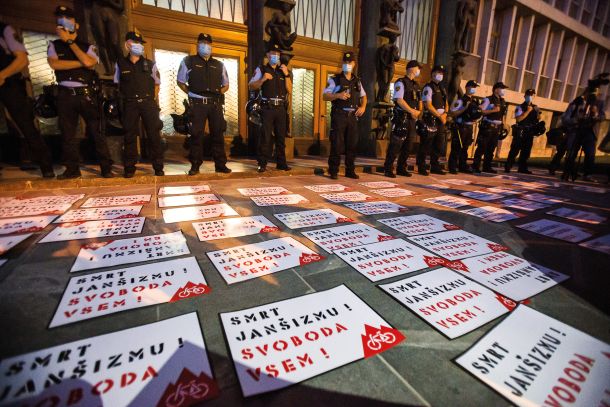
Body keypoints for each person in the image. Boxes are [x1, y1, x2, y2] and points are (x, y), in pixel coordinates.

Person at [48, 5, 113, 179]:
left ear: (76, 25)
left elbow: (90, 62)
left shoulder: (87, 46)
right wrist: (81, 63)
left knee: (97, 132)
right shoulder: (54, 45)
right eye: (60, 18)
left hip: (86, 94)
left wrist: (70, 42)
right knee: (68, 134)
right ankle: (72, 170)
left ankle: (106, 168)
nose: (63, 21)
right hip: (64, 95)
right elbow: (55, 64)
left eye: (68, 18)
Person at [0, 21, 54, 178]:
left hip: (9, 83)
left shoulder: (5, 30)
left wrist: (2, 75)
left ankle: (46, 166)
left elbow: (22, 59)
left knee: (26, 125)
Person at [177, 33, 231, 176]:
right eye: (202, 42)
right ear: (197, 44)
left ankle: (220, 164)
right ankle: (195, 165)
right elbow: (180, 81)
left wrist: (220, 92)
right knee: (196, 134)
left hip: (215, 104)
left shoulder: (219, 65)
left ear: (211, 46)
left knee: (218, 134)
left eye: (208, 43)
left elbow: (226, 84)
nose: (205, 45)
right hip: (198, 103)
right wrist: (191, 93)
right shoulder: (188, 61)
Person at [114, 31, 164, 178]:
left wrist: (151, 99)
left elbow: (157, 84)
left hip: (148, 103)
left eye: (140, 43)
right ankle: (129, 167)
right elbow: (117, 83)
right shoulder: (120, 64)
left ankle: (158, 167)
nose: (139, 46)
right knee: (129, 136)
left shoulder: (150, 64)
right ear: (128, 44)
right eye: (136, 42)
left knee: (154, 135)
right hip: (130, 103)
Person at [248, 43, 292, 173]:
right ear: (267, 55)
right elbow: (251, 86)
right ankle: (262, 163)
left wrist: (287, 75)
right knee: (265, 137)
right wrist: (262, 79)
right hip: (267, 107)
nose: (276, 56)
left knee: (280, 138)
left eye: (278, 54)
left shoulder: (283, 71)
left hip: (281, 109)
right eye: (273, 53)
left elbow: (289, 89)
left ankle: (281, 163)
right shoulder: (261, 69)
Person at [323, 52, 366, 180]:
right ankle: (333, 170)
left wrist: (363, 107)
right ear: (342, 64)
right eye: (345, 62)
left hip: (353, 116)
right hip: (339, 115)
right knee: (337, 144)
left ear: (354, 64)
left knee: (352, 144)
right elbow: (325, 96)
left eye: (350, 63)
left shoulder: (357, 81)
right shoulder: (334, 79)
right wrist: (338, 95)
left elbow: (364, 96)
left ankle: (349, 170)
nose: (347, 65)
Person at [383, 60, 422, 178]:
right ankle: (388, 168)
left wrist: (418, 112)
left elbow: (419, 101)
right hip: (402, 118)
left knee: (408, 145)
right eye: (418, 68)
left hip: (412, 119)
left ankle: (401, 168)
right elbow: (399, 100)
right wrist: (412, 111)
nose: (419, 71)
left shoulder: (416, 85)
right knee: (396, 145)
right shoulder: (401, 82)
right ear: (411, 68)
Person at [561, 87, 605, 182]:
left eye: (595, 94)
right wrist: (576, 120)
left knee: (590, 154)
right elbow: (565, 118)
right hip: (576, 130)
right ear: (586, 93)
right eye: (591, 93)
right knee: (571, 153)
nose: (593, 96)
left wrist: (595, 114)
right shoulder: (576, 103)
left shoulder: (599, 103)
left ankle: (588, 174)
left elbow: (602, 117)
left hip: (590, 132)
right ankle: (568, 172)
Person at [472, 81, 508, 174]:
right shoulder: (488, 99)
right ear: (496, 89)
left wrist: (504, 125)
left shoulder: (503, 101)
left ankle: (487, 167)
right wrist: (493, 110)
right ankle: (475, 166)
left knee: (491, 149)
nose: (503, 90)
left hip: (497, 128)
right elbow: (481, 111)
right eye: (502, 88)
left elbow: (503, 114)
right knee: (481, 148)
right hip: (487, 127)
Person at [418, 65, 448, 175]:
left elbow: (446, 103)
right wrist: (439, 116)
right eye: (439, 72)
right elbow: (428, 105)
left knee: (439, 145)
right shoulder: (428, 87)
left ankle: (435, 166)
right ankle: (421, 166)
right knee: (426, 144)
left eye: (442, 73)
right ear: (433, 74)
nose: (441, 75)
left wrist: (445, 114)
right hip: (431, 119)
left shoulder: (442, 88)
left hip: (441, 120)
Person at [448, 79, 480, 174]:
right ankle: (452, 167)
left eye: (475, 87)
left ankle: (462, 166)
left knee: (465, 148)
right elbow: (452, 113)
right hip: (461, 126)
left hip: (469, 127)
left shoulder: (474, 101)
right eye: (472, 87)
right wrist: (464, 109)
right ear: (466, 87)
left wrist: (476, 119)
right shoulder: (461, 100)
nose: (473, 89)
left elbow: (477, 114)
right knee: (457, 148)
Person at [505, 88, 540, 174]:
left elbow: (537, 119)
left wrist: (538, 117)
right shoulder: (520, 107)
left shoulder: (536, 107)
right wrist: (528, 111)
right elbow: (518, 119)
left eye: (532, 95)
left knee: (526, 151)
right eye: (528, 95)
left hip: (529, 132)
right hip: (520, 131)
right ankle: (508, 166)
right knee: (514, 150)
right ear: (525, 96)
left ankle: (522, 168)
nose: (530, 97)